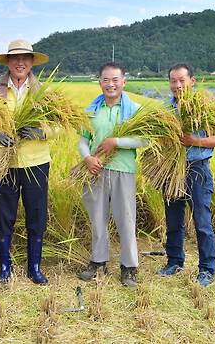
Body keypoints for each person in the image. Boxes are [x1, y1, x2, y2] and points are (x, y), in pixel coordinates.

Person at [0, 39, 59, 285]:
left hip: (36, 163)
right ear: (8, 62)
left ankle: (34, 267)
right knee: (3, 216)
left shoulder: (44, 92)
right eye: (15, 58)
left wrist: (41, 132)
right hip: (4, 164)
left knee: (36, 215)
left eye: (25, 58)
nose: (20, 62)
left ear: (32, 61)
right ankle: (5, 266)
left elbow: (59, 125)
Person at [77, 62, 147, 287]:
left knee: (126, 219)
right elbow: (82, 140)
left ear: (124, 82)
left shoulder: (134, 110)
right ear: (100, 83)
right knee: (97, 218)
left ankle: (129, 267)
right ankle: (98, 262)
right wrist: (87, 158)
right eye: (106, 80)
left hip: (123, 171)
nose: (111, 84)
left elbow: (144, 140)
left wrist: (115, 141)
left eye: (115, 79)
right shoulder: (91, 110)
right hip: (96, 170)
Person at [157, 63, 215, 287]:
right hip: (171, 168)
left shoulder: (205, 107)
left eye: (181, 81)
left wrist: (196, 141)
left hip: (197, 168)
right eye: (173, 81)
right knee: (173, 219)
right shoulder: (165, 108)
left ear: (192, 81)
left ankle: (207, 269)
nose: (177, 85)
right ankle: (174, 261)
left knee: (202, 220)